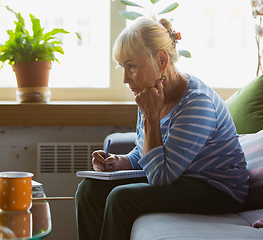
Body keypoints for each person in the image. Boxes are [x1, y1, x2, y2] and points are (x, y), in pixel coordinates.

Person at [75, 17, 249, 240]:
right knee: (88, 190)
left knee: (122, 197)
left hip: (216, 190)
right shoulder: (151, 94)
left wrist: (150, 117)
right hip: (179, 178)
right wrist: (119, 162)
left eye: (132, 67)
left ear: (161, 60)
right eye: (122, 67)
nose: (125, 79)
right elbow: (145, 152)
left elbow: (159, 176)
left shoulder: (197, 104)